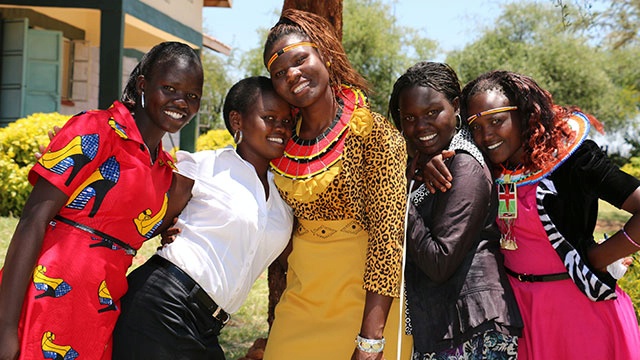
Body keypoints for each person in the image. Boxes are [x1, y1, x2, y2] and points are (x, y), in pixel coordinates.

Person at [0, 41, 203, 360]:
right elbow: (32, 221)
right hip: (46, 297)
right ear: (142, 85)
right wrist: (6, 326)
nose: (182, 102)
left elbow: (135, 226)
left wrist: (173, 227)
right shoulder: (95, 129)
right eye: (170, 88)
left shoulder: (165, 172)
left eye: (192, 96)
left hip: (100, 310)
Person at [431, 69, 640, 359]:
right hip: (519, 315)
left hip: (579, 311)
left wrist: (598, 257)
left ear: (525, 114)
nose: (486, 134)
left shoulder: (573, 160)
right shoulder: (485, 168)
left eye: (496, 120)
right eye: (476, 126)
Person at [261, 9, 411, 360]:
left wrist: (370, 341)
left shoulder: (374, 133)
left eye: (300, 59)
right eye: (279, 73)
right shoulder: (280, 138)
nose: (292, 74)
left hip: (366, 307)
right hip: (300, 300)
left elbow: (388, 240)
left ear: (324, 54)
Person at [110, 76, 295, 360]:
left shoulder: (284, 196)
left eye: (286, 121)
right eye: (269, 118)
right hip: (162, 304)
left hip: (208, 326)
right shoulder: (203, 167)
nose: (280, 128)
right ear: (237, 121)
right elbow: (137, 213)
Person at [387, 62, 523, 359]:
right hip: (448, 326)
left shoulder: (465, 165)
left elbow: (440, 262)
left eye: (432, 112)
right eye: (409, 117)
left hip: (473, 330)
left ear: (456, 106)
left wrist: (397, 198)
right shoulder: (432, 161)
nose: (420, 126)